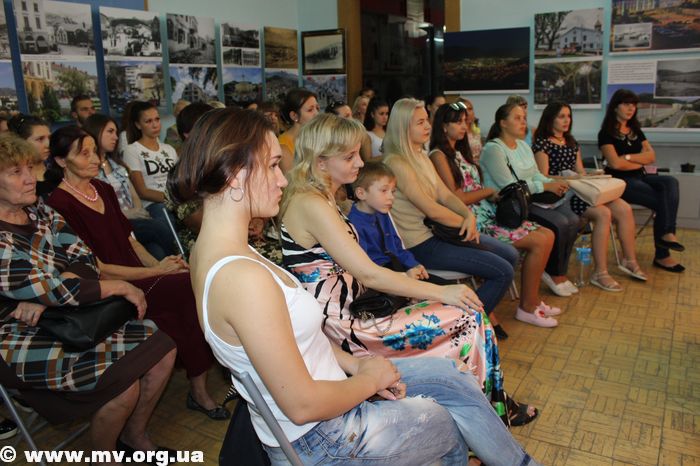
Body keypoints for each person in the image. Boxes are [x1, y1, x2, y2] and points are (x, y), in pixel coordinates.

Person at [169, 107, 541, 465]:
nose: (282, 178)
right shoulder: (242, 277)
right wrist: (368, 379)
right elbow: (302, 405)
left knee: (452, 378)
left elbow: (301, 345)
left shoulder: (215, 251)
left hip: (329, 401)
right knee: (445, 419)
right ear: (236, 174)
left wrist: (358, 365)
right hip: (325, 438)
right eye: (272, 166)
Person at [280, 113, 537, 427]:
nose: (360, 163)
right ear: (321, 162)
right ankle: (481, 411)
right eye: (349, 157)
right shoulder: (312, 203)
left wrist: (413, 285)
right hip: (343, 328)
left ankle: (477, 407)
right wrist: (442, 291)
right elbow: (369, 274)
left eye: (358, 153)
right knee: (467, 315)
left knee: (467, 312)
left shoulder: (319, 198)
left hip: (354, 311)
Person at [0, 134, 177, 458]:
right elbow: (55, 289)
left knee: (163, 350)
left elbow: (83, 257)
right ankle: (104, 457)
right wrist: (117, 286)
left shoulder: (39, 210)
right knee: (122, 385)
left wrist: (53, 289)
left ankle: (133, 435)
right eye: (15, 172)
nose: (30, 178)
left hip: (68, 315)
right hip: (18, 336)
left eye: (29, 168)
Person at [45, 126, 229, 421]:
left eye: (95, 151)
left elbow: (130, 240)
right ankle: (201, 386)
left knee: (187, 278)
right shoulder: (58, 204)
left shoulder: (102, 188)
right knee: (186, 286)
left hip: (138, 273)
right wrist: (155, 272)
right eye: (84, 154)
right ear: (60, 161)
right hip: (111, 285)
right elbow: (95, 267)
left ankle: (201, 382)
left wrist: (159, 266)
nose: (95, 159)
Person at [383, 99, 520, 325]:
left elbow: (445, 195)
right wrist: (463, 221)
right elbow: (431, 209)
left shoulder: (420, 155)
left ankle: (475, 317)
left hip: (439, 233)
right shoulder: (397, 162)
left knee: (510, 254)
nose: (428, 126)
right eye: (420, 122)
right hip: (419, 243)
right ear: (403, 127)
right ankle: (464, 326)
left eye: (427, 120)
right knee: (502, 271)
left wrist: (468, 216)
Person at [430, 102, 558, 330]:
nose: (464, 126)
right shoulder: (438, 155)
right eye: (457, 122)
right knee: (539, 241)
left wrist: (492, 196)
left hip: (485, 212)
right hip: (469, 220)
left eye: (465, 121)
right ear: (443, 126)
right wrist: (489, 191)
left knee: (548, 234)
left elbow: (474, 188)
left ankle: (532, 300)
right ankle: (527, 307)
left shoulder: (460, 152)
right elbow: (456, 198)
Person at [534, 102, 647, 290]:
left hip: (579, 188)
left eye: (568, 116)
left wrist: (592, 174)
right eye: (561, 116)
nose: (566, 120)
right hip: (563, 193)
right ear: (550, 119)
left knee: (624, 208)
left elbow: (580, 171)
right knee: (603, 214)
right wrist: (572, 177)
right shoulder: (542, 143)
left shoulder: (571, 142)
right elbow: (543, 175)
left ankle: (629, 260)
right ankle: (600, 273)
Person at [481, 103, 580, 300]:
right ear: (503, 123)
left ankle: (558, 271)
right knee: (559, 222)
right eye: (517, 118)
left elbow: (535, 174)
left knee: (573, 219)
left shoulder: (524, 146)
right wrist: (545, 186)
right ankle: (553, 273)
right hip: (509, 206)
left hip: (530, 198)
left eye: (524, 118)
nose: (523, 122)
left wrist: (552, 183)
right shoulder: (493, 149)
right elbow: (510, 186)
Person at [598, 89, 684, 273]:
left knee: (670, 182)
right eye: (626, 104)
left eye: (634, 105)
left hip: (641, 176)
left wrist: (627, 157)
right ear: (615, 107)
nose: (631, 108)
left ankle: (667, 235)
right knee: (663, 201)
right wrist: (637, 160)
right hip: (620, 181)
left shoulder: (636, 130)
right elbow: (615, 164)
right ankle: (663, 253)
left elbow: (651, 157)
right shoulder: (606, 133)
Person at [83, 113, 177, 261]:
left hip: (134, 219)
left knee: (157, 252)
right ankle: (180, 259)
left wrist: (138, 210)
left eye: (116, 132)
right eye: (110, 132)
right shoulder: (88, 169)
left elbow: (133, 194)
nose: (115, 137)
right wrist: (128, 214)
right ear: (95, 131)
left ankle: (173, 266)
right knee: (158, 227)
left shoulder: (117, 164)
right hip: (114, 223)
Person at [122, 101, 179, 227]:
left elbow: (178, 181)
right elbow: (142, 191)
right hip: (153, 204)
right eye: (148, 121)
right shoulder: (132, 150)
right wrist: (173, 199)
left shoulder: (169, 149)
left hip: (174, 200)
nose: (155, 125)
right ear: (138, 125)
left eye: (157, 119)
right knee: (166, 218)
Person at [7, 114, 53, 197]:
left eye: (49, 138)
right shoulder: (14, 178)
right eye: (40, 139)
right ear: (21, 142)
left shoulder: (58, 166)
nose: (48, 144)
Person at [278, 88, 320, 173]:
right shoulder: (283, 147)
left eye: (317, 108)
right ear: (294, 116)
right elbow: (293, 180)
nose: (317, 114)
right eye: (310, 110)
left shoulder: (317, 138)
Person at [458, 97, 483, 162]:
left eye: (470, 109)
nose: (467, 113)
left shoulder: (476, 130)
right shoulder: (458, 132)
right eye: (464, 110)